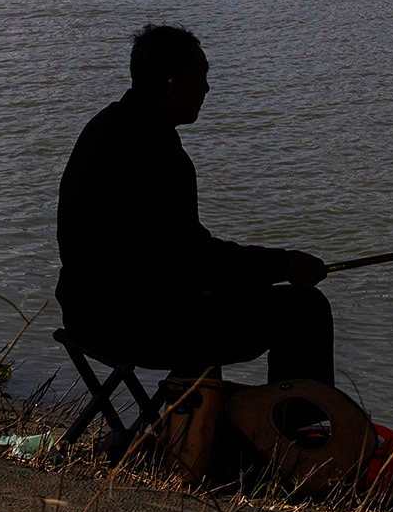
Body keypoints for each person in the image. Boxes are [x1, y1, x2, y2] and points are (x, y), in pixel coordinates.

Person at [56, 24, 333, 383]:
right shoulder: (153, 151)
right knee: (304, 310)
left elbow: (172, 257)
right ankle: (297, 434)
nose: (206, 88)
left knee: (222, 294)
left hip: (84, 309)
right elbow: (195, 261)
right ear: (173, 87)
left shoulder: (106, 125)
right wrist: (284, 264)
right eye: (201, 78)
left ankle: (199, 424)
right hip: (128, 323)